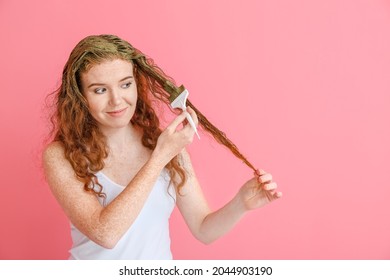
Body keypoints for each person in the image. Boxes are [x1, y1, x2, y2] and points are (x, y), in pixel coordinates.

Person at [43, 34, 282, 260]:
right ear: (80, 96)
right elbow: (105, 234)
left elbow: (202, 229)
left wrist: (241, 203)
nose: (117, 100)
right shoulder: (60, 156)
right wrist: (160, 157)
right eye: (100, 90)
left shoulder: (167, 146)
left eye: (125, 85)